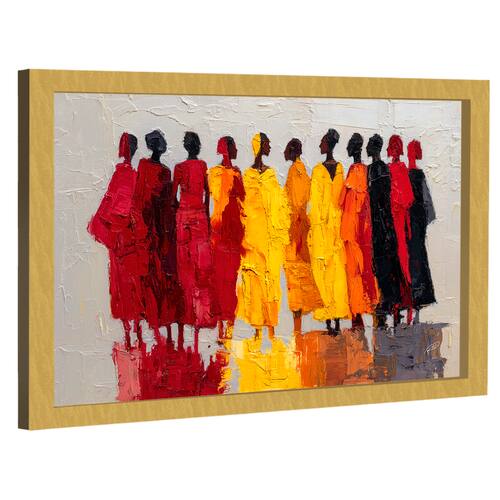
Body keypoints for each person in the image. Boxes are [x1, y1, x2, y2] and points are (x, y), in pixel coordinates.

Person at [88, 132, 143, 350]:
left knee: (123, 286)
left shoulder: (121, 174)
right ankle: (136, 332)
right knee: (133, 285)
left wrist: (103, 227)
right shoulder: (134, 175)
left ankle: (130, 335)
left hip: (120, 238)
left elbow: (110, 205)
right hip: (129, 237)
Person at [237, 133, 290, 338]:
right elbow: (242, 206)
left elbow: (280, 204)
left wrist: (280, 232)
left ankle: (271, 328)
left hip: (270, 238)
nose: (270, 147)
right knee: (254, 281)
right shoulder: (247, 176)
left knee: (272, 280)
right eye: (267, 144)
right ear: (260, 146)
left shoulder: (271, 175)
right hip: (252, 237)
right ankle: (258, 328)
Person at [132, 129, 183, 341]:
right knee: (154, 279)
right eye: (160, 142)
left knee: (157, 279)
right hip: (153, 231)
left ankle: (155, 325)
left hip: (156, 231)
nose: (162, 146)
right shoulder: (153, 169)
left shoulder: (157, 170)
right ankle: (156, 325)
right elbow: (149, 201)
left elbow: (161, 202)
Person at [173, 131, 216, 335]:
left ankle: (187, 316)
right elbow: (208, 195)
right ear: (197, 147)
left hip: (184, 218)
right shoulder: (202, 166)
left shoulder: (179, 168)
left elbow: (172, 197)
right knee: (202, 268)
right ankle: (201, 316)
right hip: (199, 217)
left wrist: (181, 209)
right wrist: (205, 216)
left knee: (185, 268)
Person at [308, 129, 350, 335]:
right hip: (329, 227)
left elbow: (315, 203)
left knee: (331, 273)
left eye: (322, 142)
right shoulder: (335, 169)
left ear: (328, 144)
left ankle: (333, 318)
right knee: (330, 272)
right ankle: (332, 319)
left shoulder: (325, 170)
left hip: (329, 228)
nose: (320, 145)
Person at [283, 138, 323, 333]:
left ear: (292, 151)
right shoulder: (297, 170)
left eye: (286, 149)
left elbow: (298, 204)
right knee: (297, 277)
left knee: (296, 278)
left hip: (296, 231)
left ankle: (297, 328)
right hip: (296, 229)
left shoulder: (297, 171)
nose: (284, 152)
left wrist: (296, 236)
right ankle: (297, 326)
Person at [208, 136, 245, 341]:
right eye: (235, 147)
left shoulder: (213, 173)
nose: (238, 150)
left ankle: (223, 326)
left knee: (222, 279)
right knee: (228, 280)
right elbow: (242, 197)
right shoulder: (234, 173)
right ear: (229, 150)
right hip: (228, 232)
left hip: (220, 231)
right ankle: (227, 325)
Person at [340, 133, 379, 328]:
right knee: (366, 271)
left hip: (353, 232)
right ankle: (368, 311)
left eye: (349, 146)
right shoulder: (365, 171)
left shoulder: (354, 171)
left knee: (355, 272)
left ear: (353, 148)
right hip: (364, 230)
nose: (347, 149)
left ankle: (358, 315)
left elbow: (341, 201)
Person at [366, 133, 404, 327]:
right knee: (385, 265)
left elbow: (380, 200)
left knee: (383, 265)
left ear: (374, 148)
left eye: (369, 146)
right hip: (382, 223)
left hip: (381, 224)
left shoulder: (376, 169)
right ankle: (392, 306)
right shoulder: (380, 169)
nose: (366, 149)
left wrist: (382, 224)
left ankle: (389, 305)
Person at [407, 139, 436, 322]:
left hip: (409, 224)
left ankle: (412, 307)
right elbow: (427, 206)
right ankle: (415, 308)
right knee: (418, 261)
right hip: (417, 225)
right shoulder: (418, 175)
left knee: (410, 262)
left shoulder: (408, 174)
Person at [387, 134, 414, 324]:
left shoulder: (401, 169)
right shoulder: (389, 169)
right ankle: (397, 306)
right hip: (392, 221)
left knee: (402, 263)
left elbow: (408, 198)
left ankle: (407, 306)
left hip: (399, 221)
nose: (393, 151)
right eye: (392, 147)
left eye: (394, 147)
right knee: (394, 264)